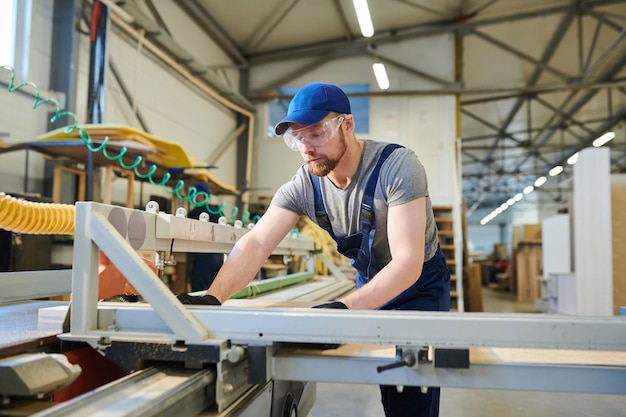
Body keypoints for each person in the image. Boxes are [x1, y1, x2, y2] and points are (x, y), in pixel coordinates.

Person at [178, 82, 450, 417]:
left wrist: (342, 309)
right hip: (372, 281)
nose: (307, 147)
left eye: (317, 134)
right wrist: (212, 298)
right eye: (297, 137)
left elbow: (408, 263)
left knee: (412, 385)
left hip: (420, 285)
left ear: (346, 125)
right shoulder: (305, 184)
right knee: (390, 382)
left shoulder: (397, 168)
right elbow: (256, 242)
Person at [187, 183, 224, 292]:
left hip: (203, 257)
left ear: (201, 196)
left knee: (200, 287)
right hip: (217, 256)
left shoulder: (195, 213)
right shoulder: (217, 210)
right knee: (214, 288)